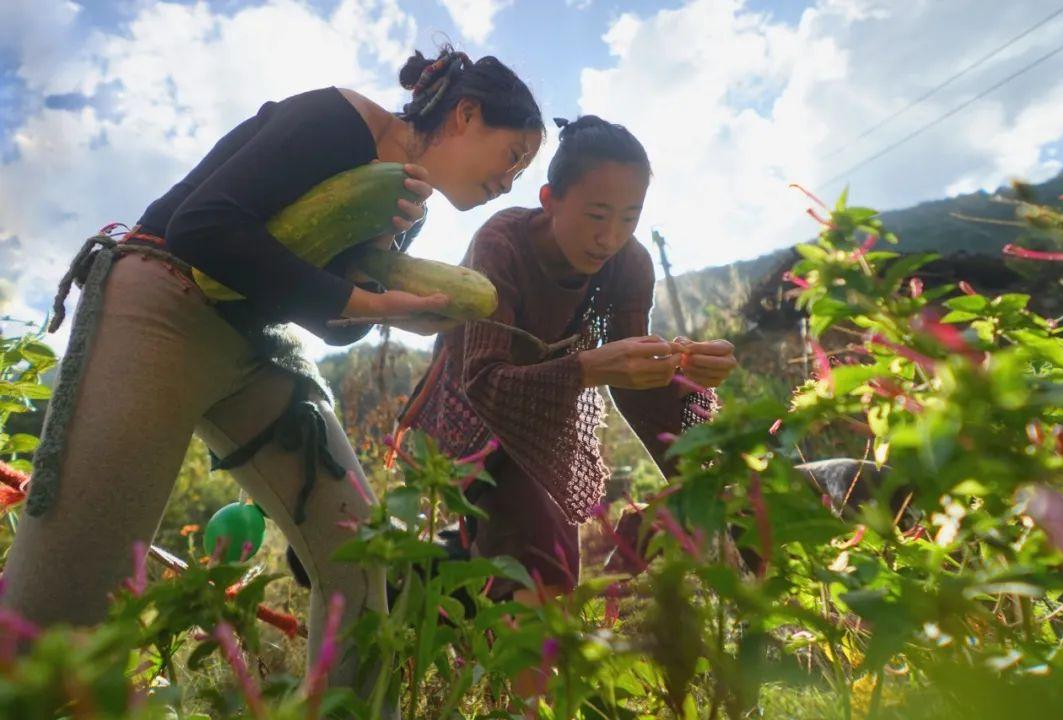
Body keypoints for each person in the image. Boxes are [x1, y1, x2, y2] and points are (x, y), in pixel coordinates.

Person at [0, 46, 543, 702]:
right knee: (55, 618)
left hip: (258, 342)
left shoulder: (408, 203)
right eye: (514, 156)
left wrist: (396, 307)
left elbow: (332, 318)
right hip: (164, 304)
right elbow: (205, 227)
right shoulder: (337, 121)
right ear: (466, 113)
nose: (510, 180)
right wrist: (361, 302)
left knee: (363, 560)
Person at [392, 115, 737, 604]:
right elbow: (485, 383)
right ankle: (446, 587)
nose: (610, 237)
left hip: (545, 410)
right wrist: (591, 368)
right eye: (597, 216)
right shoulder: (503, 243)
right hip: (471, 415)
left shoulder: (629, 265)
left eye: (629, 218)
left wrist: (680, 372)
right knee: (534, 565)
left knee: (545, 565)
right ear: (550, 200)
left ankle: (464, 594)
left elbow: (631, 377)